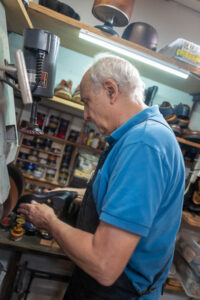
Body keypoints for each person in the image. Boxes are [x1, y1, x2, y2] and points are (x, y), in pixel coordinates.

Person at [18, 53, 185, 300]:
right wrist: (74, 194)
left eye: (86, 101)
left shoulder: (144, 143)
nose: (85, 114)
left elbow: (104, 265)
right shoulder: (138, 136)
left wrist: (49, 222)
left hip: (118, 291)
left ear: (110, 90)